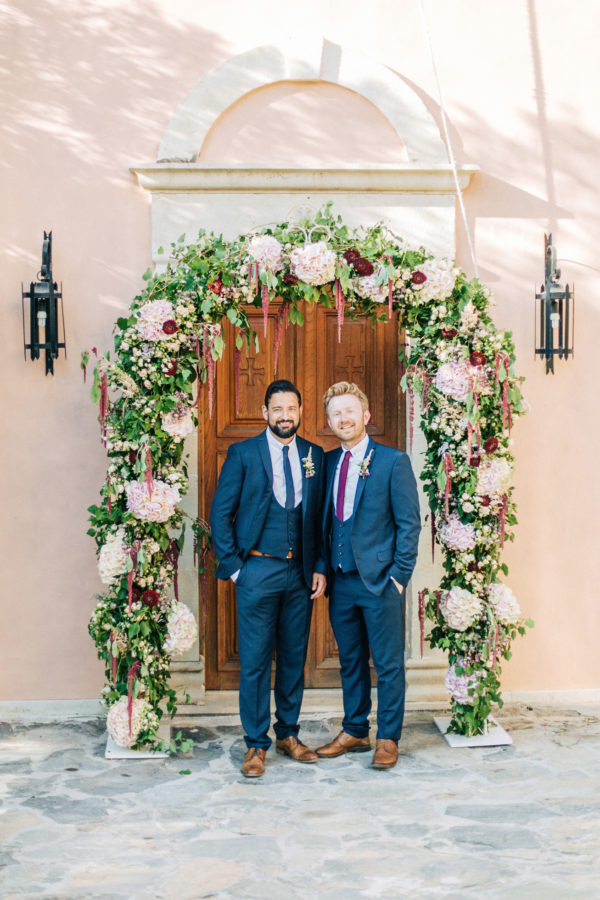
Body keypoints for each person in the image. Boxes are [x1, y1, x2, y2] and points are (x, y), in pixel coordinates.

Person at [210, 379, 327, 777]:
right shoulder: (243, 453)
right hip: (257, 571)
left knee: (294, 657)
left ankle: (288, 735)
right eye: (277, 409)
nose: (284, 416)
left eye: (291, 408)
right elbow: (220, 513)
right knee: (256, 661)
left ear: (300, 411)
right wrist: (236, 567)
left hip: (300, 573)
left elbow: (320, 517)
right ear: (265, 413)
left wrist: (319, 565)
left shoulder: (313, 455)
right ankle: (256, 744)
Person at [315, 382, 421, 769]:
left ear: (366, 416)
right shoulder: (326, 463)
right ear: (329, 422)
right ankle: (356, 729)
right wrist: (322, 567)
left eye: (349, 411)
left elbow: (409, 524)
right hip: (341, 581)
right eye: (336, 414)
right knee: (351, 660)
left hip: (380, 582)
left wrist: (399, 576)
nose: (343, 419)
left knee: (388, 664)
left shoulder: (393, 462)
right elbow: (322, 523)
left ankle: (388, 737)